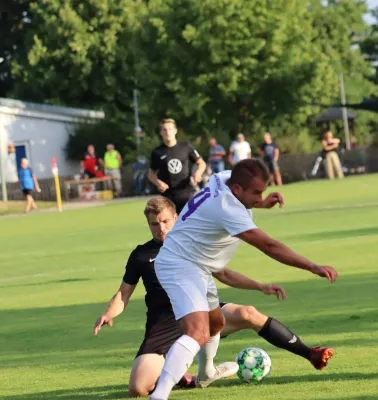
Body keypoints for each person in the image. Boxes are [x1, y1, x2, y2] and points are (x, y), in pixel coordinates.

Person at [93, 197, 334, 397]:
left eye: (165, 221)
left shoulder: (191, 244)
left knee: (247, 313)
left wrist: (259, 286)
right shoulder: (141, 256)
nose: (161, 228)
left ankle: (308, 352)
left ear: (176, 218)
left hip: (200, 312)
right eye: (154, 224)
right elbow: (123, 294)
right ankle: (181, 374)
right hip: (164, 326)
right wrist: (108, 313)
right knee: (137, 388)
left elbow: (224, 273)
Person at [150, 160, 338, 400]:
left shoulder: (223, 177)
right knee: (197, 332)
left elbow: (241, 189)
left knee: (215, 323)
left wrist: (260, 203)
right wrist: (312, 266)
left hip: (198, 265)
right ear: (237, 190)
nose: (261, 196)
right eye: (256, 193)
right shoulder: (228, 208)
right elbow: (269, 246)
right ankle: (160, 395)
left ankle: (206, 373)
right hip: (180, 264)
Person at [148, 119, 206, 214]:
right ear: (161, 132)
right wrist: (159, 183)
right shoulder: (157, 152)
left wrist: (198, 174)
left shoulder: (186, 146)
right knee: (172, 226)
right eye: (165, 130)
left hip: (186, 192)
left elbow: (201, 163)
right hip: (167, 195)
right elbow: (151, 174)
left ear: (175, 130)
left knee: (189, 223)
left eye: (170, 129)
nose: (168, 132)